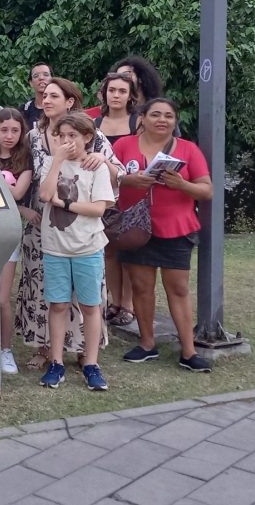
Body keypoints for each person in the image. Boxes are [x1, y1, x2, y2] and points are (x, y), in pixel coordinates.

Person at [15, 78, 122, 371]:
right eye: (43, 95)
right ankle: (44, 348)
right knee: (44, 290)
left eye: (53, 96)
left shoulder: (93, 135)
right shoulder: (34, 136)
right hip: (40, 224)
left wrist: (102, 159)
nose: (45, 100)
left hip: (81, 228)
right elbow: (21, 173)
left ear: (70, 101)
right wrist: (23, 208)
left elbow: (117, 174)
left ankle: (82, 352)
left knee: (85, 295)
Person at [113, 98, 213, 372]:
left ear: (175, 121)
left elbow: (207, 190)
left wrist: (182, 184)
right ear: (142, 118)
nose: (162, 120)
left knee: (178, 288)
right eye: (155, 114)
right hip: (135, 227)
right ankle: (147, 344)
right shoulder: (124, 146)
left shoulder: (188, 150)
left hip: (176, 228)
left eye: (168, 116)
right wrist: (128, 180)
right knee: (142, 288)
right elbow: (107, 177)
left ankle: (189, 351)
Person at [37, 113, 115, 391]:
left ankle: (91, 364)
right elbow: (45, 195)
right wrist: (57, 160)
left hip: (88, 246)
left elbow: (98, 208)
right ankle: (56, 362)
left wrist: (65, 204)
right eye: (62, 136)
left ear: (87, 137)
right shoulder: (50, 162)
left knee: (90, 306)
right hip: (55, 246)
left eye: (74, 136)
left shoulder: (97, 167)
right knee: (57, 305)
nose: (68, 141)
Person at [93, 72, 141, 328]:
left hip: (131, 192)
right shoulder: (95, 122)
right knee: (109, 250)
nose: (116, 95)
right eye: (112, 90)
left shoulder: (138, 122)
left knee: (128, 250)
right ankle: (114, 302)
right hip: (103, 194)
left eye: (122, 91)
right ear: (105, 93)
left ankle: (129, 305)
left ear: (130, 95)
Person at [0, 108, 33, 375]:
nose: (9, 135)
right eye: (4, 130)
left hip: (7, 232)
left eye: (15, 130)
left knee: (2, 298)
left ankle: (5, 350)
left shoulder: (23, 159)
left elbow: (17, 192)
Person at [22, 63, 52, 129]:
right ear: (31, 83)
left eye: (46, 75)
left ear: (52, 79)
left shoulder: (61, 108)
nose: (41, 78)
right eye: (36, 76)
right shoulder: (24, 110)